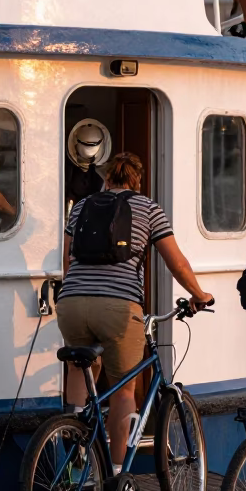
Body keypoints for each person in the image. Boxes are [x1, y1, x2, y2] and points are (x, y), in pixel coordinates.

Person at [56, 151, 214, 469]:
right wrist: (199, 294)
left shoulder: (82, 206)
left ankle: (75, 447)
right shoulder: (148, 208)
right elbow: (177, 263)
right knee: (124, 389)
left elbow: (66, 259)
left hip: (71, 302)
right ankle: (115, 473)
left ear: (107, 177)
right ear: (137, 180)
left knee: (80, 369)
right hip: (118, 308)